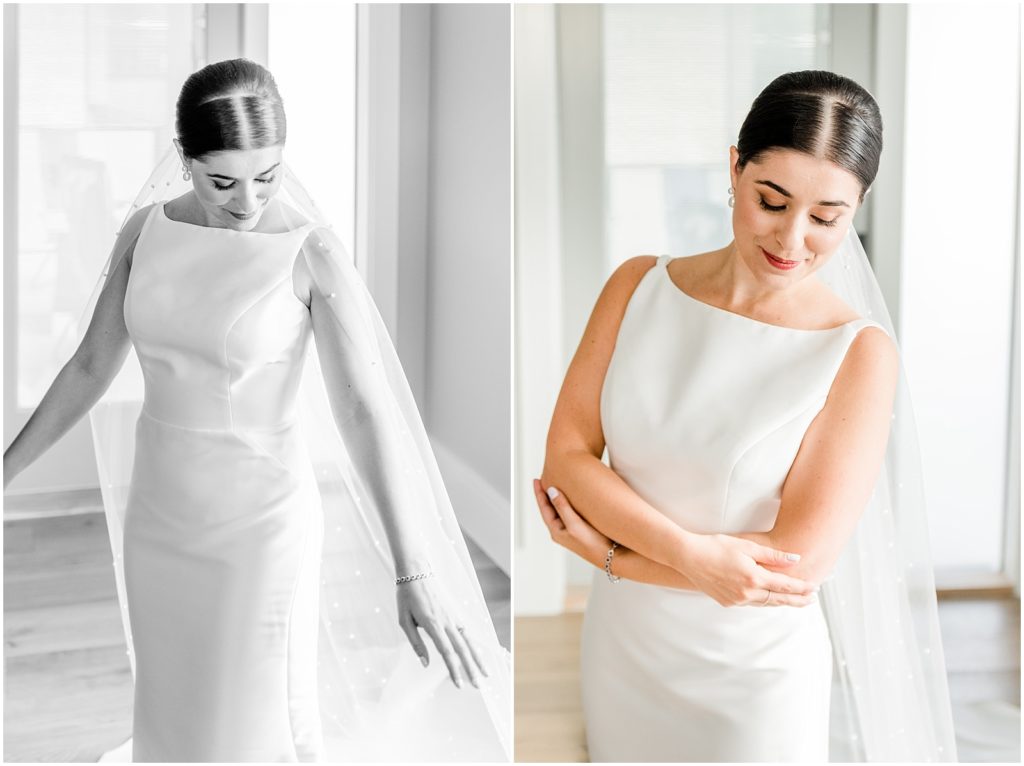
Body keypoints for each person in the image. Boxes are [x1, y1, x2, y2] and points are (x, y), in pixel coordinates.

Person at [3, 58, 509, 763]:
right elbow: (91, 364)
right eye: (223, 181)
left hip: (260, 524)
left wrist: (411, 570)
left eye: (267, 176)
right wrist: (4, 473)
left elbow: (363, 409)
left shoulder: (308, 252)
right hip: (159, 511)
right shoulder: (146, 232)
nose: (248, 201)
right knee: (174, 712)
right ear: (184, 159)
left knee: (246, 721)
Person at [534, 70, 955, 761]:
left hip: (755, 679)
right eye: (771, 200)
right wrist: (692, 557)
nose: (792, 240)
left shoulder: (858, 354)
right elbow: (566, 459)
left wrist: (612, 557)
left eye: (826, 218)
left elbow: (794, 569)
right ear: (734, 168)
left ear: (858, 209)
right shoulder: (635, 285)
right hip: (623, 649)